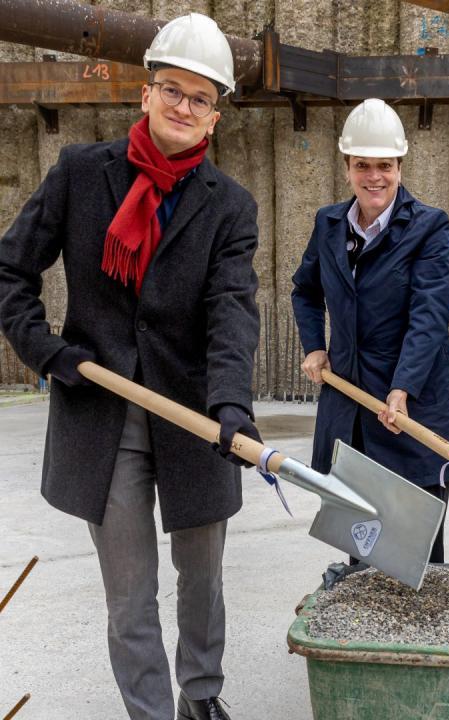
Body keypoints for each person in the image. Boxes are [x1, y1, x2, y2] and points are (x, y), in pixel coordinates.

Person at [0, 13, 260, 720]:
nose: (183, 106)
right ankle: (150, 713)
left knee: (201, 579)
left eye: (201, 97)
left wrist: (231, 406)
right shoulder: (83, 174)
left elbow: (233, 310)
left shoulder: (229, 207)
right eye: (172, 89)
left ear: (214, 117)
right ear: (146, 92)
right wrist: (47, 351)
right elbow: (9, 271)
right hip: (102, 415)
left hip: (196, 417)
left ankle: (201, 697)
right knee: (131, 593)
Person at [291, 98, 449, 564]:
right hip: (351, 411)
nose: (374, 177)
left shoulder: (429, 228)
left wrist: (403, 386)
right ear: (347, 167)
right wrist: (314, 346)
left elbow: (429, 315)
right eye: (363, 165)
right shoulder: (329, 225)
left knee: (416, 557)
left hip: (412, 411)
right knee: (362, 550)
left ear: (400, 166)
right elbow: (304, 290)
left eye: (384, 166)